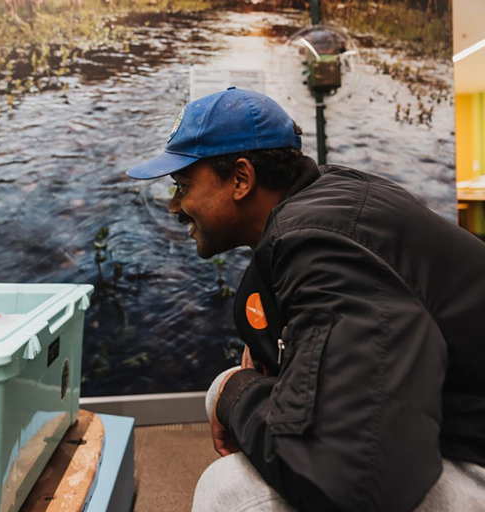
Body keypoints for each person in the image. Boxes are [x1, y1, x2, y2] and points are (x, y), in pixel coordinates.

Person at [126, 87, 485, 511]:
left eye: (182, 186)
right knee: (225, 391)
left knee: (229, 491)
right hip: (452, 421)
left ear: (241, 179)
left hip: (473, 452)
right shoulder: (324, 198)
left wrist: (236, 395)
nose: (174, 206)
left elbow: (354, 476)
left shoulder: (319, 246)